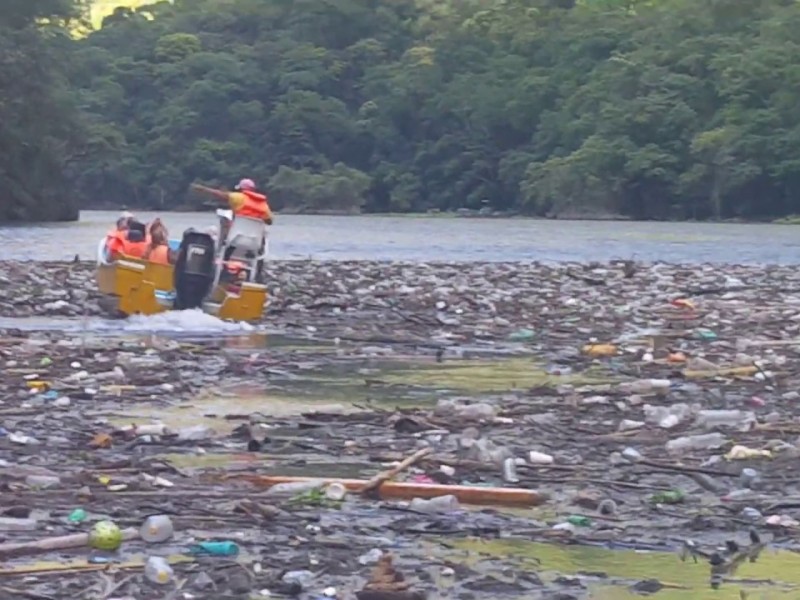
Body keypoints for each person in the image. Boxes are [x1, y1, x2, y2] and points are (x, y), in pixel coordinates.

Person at [191, 179, 274, 225]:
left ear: (241, 189)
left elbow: (220, 194)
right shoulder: (264, 205)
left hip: (237, 235)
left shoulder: (238, 197)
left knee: (224, 221)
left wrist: (203, 189)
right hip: (255, 240)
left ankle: (220, 250)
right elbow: (269, 222)